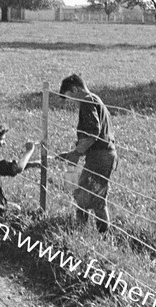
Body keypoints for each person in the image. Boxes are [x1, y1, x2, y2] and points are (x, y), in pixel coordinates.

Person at [55, 74, 117, 235]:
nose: (73, 103)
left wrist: (76, 153)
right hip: (102, 155)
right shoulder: (94, 99)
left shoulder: (87, 101)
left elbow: (93, 133)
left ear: (75, 89)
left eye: (70, 98)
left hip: (101, 157)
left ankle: (87, 233)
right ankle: (96, 233)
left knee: (87, 197)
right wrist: (76, 151)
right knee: (90, 196)